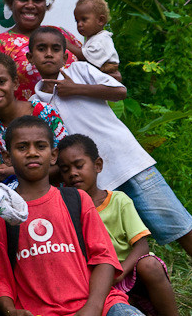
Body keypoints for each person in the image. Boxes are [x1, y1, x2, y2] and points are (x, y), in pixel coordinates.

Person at [26, 26, 192, 316]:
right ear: (31, 57)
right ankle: (126, 301)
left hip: (128, 161)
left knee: (177, 223)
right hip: (92, 183)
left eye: (55, 48)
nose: (49, 54)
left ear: (65, 53)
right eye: (41, 49)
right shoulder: (36, 102)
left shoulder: (80, 71)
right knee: (109, 248)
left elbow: (120, 91)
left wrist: (75, 89)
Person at [0, 116, 144, 316]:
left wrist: (92, 308)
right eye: (22, 147)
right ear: (7, 157)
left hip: (101, 307)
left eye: (40, 146)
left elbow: (104, 258)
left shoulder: (77, 199)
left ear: (53, 155)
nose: (32, 153)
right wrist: (10, 311)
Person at [58, 134, 178, 316]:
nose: (72, 173)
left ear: (97, 165)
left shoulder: (118, 201)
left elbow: (142, 245)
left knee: (150, 265)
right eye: (65, 169)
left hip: (129, 271)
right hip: (95, 278)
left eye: (79, 166)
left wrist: (120, 274)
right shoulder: (66, 209)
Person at [0, 0, 82, 101]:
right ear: (10, 2)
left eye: (37, 0)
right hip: (27, 120)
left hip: (74, 118)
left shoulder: (61, 34)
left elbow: (94, 64)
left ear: (46, 4)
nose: (30, 5)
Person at [0, 51, 67, 185]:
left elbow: (65, 164)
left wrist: (17, 172)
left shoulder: (44, 113)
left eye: (1, 82)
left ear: (15, 83)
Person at [66, 0, 122, 82]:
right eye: (77, 21)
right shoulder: (93, 38)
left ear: (100, 20)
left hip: (106, 71)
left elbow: (85, 56)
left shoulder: (102, 39)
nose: (79, 24)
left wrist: (67, 45)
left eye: (84, 19)